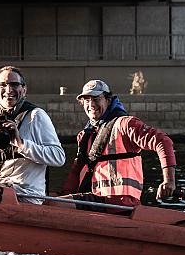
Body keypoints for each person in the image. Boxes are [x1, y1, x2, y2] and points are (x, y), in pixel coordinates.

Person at [59, 79, 176, 212]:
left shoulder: (125, 124)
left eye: (96, 99)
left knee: (55, 205)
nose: (91, 104)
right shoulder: (85, 135)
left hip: (120, 202)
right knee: (52, 201)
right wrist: (64, 195)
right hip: (98, 199)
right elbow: (77, 170)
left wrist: (169, 181)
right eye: (86, 100)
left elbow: (163, 141)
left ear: (108, 100)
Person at [0, 66, 65, 204]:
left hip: (25, 195)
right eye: (2, 85)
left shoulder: (36, 116)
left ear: (24, 89)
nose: (8, 90)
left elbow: (58, 157)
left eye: (14, 84)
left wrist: (21, 144)